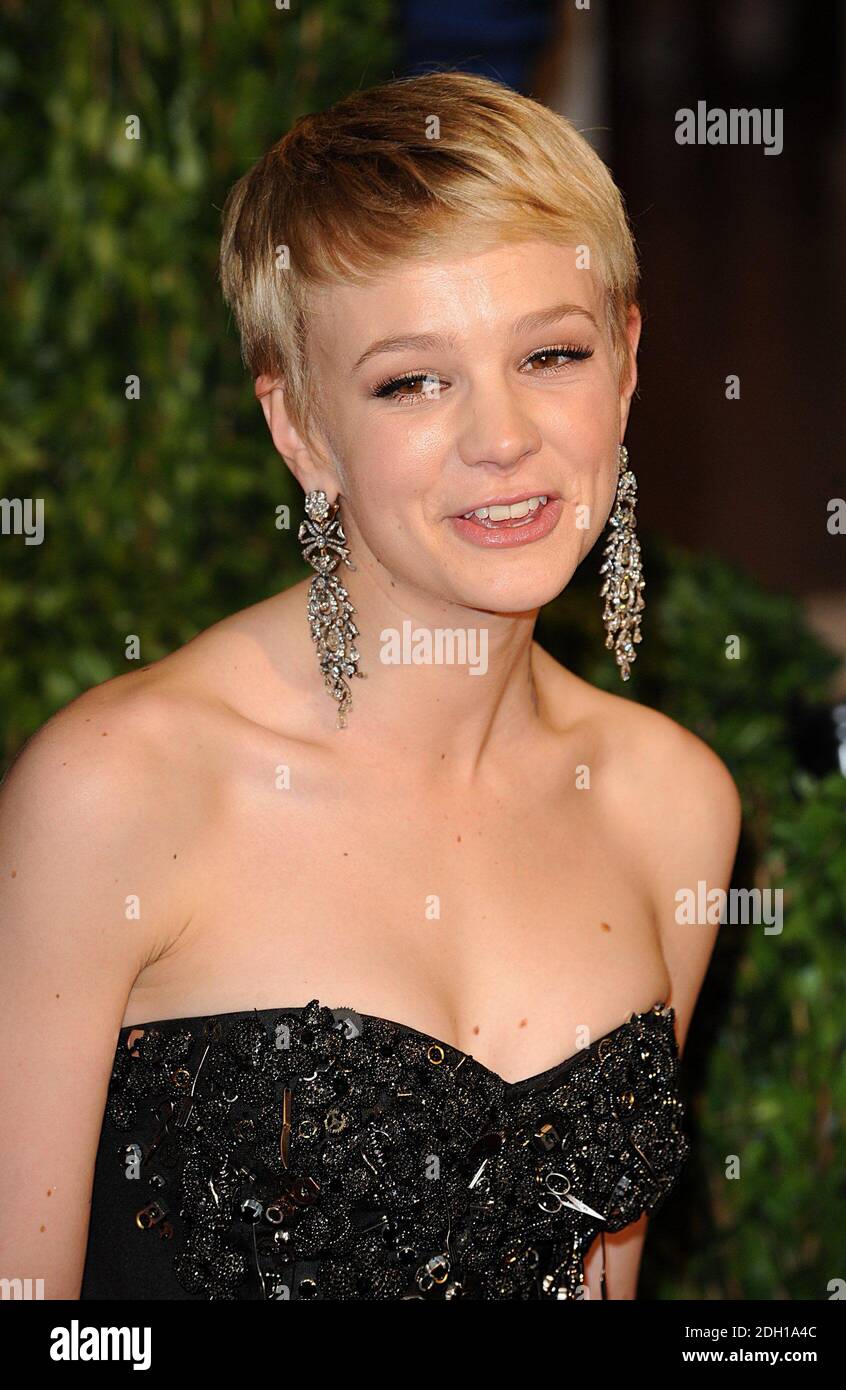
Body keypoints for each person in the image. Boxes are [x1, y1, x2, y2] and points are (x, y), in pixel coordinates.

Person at [0, 71, 741, 1300]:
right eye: (413, 380)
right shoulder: (119, 792)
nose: (502, 437)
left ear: (625, 367)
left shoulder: (673, 806)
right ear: (299, 429)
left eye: (550, 353)